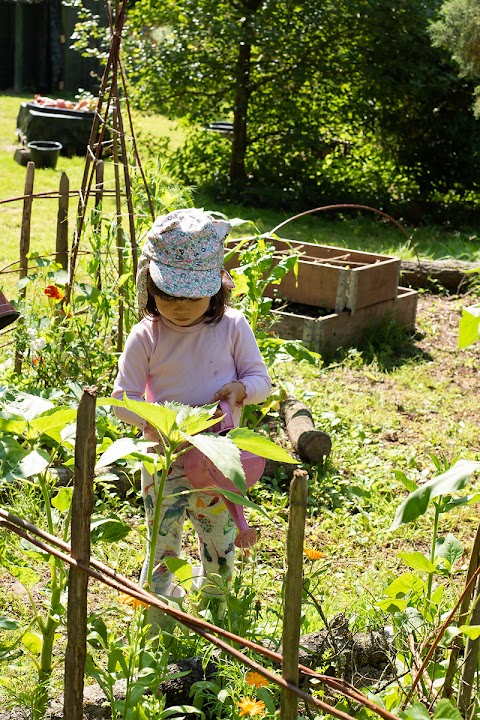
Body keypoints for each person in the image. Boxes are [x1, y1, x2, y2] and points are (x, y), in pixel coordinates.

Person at [112, 208, 271, 623]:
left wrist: (241, 390)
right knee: (162, 542)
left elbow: (260, 379)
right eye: (169, 295)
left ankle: (216, 608)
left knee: (219, 538)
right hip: (163, 460)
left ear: (215, 288)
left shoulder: (233, 327)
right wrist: (156, 423)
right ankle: (157, 614)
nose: (180, 307)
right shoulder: (147, 335)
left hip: (217, 459)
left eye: (192, 296)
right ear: (150, 287)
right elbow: (122, 399)